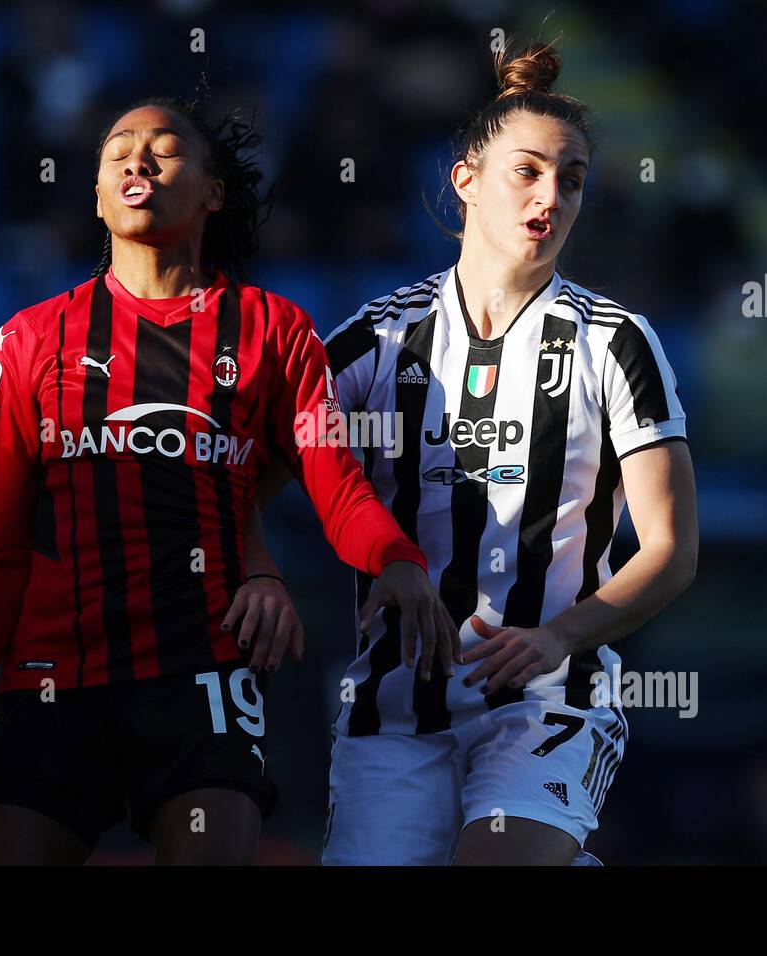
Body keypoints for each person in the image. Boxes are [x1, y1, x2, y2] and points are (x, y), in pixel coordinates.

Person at [0, 96, 457, 865]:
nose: (138, 161)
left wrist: (399, 561)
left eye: (165, 149)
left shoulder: (275, 331)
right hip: (52, 678)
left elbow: (337, 486)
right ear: (98, 195)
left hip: (201, 673)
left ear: (213, 191)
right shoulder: (29, 340)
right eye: (119, 153)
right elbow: (5, 546)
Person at [253, 42, 698, 865]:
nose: (550, 196)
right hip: (393, 715)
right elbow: (255, 480)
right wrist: (256, 569)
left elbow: (671, 551)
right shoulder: (375, 337)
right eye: (526, 171)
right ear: (465, 182)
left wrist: (562, 635)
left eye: (570, 179)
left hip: (545, 698)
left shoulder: (616, 341)